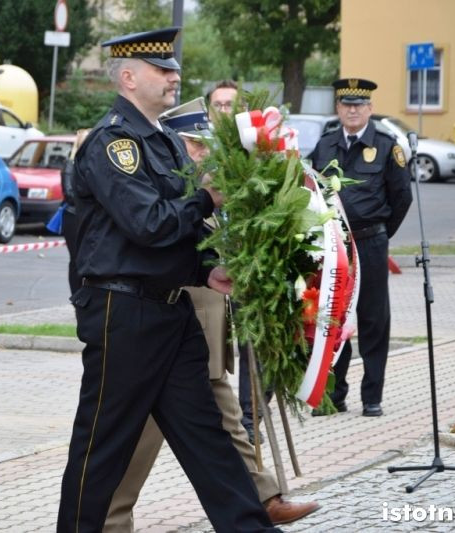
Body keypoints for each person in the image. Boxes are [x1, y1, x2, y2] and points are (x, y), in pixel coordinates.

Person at [57, 27, 279, 532]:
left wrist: (206, 269)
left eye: (174, 68)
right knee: (102, 445)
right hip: (124, 312)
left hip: (170, 308)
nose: (175, 76)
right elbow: (148, 224)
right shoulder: (115, 143)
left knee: (207, 438)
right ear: (129, 77)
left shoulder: (162, 140)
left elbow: (174, 233)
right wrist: (208, 198)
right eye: (163, 69)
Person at [104, 97, 319, 531]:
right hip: (167, 326)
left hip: (204, 329)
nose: (205, 155)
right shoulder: (170, 187)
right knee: (138, 437)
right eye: (196, 146)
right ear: (175, 144)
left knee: (223, 421)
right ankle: (110, 515)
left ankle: (262, 499)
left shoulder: (204, 188)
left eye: (206, 146)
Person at [310, 78, 412, 417]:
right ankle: (334, 394)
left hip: (370, 242)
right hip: (334, 246)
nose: (352, 109)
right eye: (346, 104)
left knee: (372, 318)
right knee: (332, 318)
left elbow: (401, 197)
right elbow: (311, 188)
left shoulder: (386, 146)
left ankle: (372, 397)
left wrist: (380, 233)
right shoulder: (325, 145)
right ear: (338, 109)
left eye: (359, 104)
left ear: (369, 108)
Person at [206, 78, 271, 442]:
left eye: (231, 105)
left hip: (249, 259)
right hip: (210, 261)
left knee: (252, 343)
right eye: (219, 105)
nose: (225, 111)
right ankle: (221, 417)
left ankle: (250, 418)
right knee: (214, 346)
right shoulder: (198, 151)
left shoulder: (257, 151)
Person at [60, 128, 91, 295]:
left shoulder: (91, 164)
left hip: (84, 216)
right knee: (76, 259)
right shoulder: (70, 165)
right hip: (73, 217)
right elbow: (69, 194)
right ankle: (76, 293)